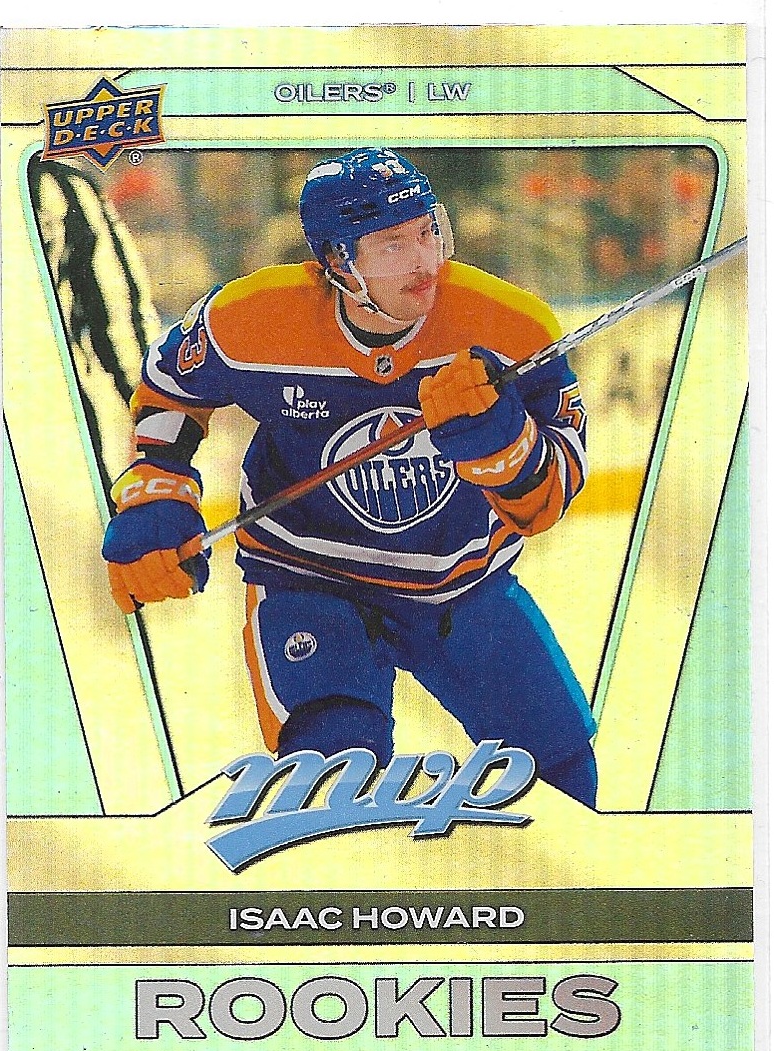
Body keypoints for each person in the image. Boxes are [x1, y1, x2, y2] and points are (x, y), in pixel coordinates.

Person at [102, 147, 598, 808]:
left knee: (564, 777)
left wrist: (502, 444)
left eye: (428, 231)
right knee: (333, 772)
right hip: (309, 577)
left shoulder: (511, 327)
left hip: (463, 582)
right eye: (393, 245)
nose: (424, 261)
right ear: (339, 261)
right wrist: (158, 489)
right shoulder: (251, 317)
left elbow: (552, 494)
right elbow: (171, 389)